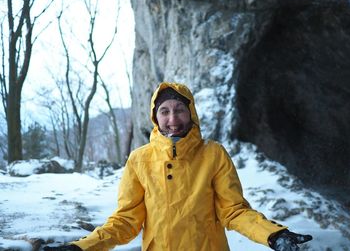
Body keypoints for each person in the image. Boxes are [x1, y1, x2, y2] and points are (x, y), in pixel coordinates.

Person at [44, 82, 312, 251]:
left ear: (191, 113)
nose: (173, 119)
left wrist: (273, 235)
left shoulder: (213, 154)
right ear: (155, 117)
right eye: (165, 111)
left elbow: (234, 211)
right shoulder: (139, 159)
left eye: (179, 110)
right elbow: (126, 221)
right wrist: (82, 247)